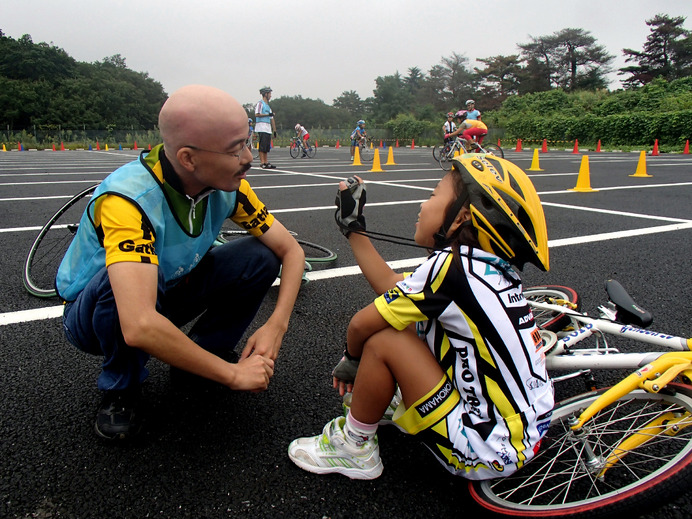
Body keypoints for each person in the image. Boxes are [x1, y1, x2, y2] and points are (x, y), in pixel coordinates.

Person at [57, 85, 305, 440]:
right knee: (124, 281)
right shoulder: (128, 200)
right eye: (236, 149)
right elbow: (139, 324)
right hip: (98, 314)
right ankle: (121, 386)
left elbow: (291, 251)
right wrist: (234, 375)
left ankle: (205, 358)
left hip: (165, 290)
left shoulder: (229, 186)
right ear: (188, 159)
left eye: (248, 142)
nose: (249, 157)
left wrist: (276, 326)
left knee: (260, 255)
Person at [288, 155, 553, 481]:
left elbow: (361, 323)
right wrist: (353, 230)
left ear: (461, 218)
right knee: (408, 322)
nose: (421, 205)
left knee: (385, 338)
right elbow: (395, 290)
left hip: (483, 449)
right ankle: (379, 403)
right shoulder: (482, 268)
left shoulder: (451, 268)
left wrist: (352, 359)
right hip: (522, 437)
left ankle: (355, 447)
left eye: (431, 196)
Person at [254, 86, 277, 169]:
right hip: (261, 127)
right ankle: (262, 162)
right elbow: (257, 114)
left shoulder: (268, 106)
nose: (270, 96)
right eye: (269, 94)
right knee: (262, 146)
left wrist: (274, 131)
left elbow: (272, 119)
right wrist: (267, 114)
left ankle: (266, 162)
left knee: (266, 146)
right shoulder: (260, 104)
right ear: (265, 94)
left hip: (267, 128)